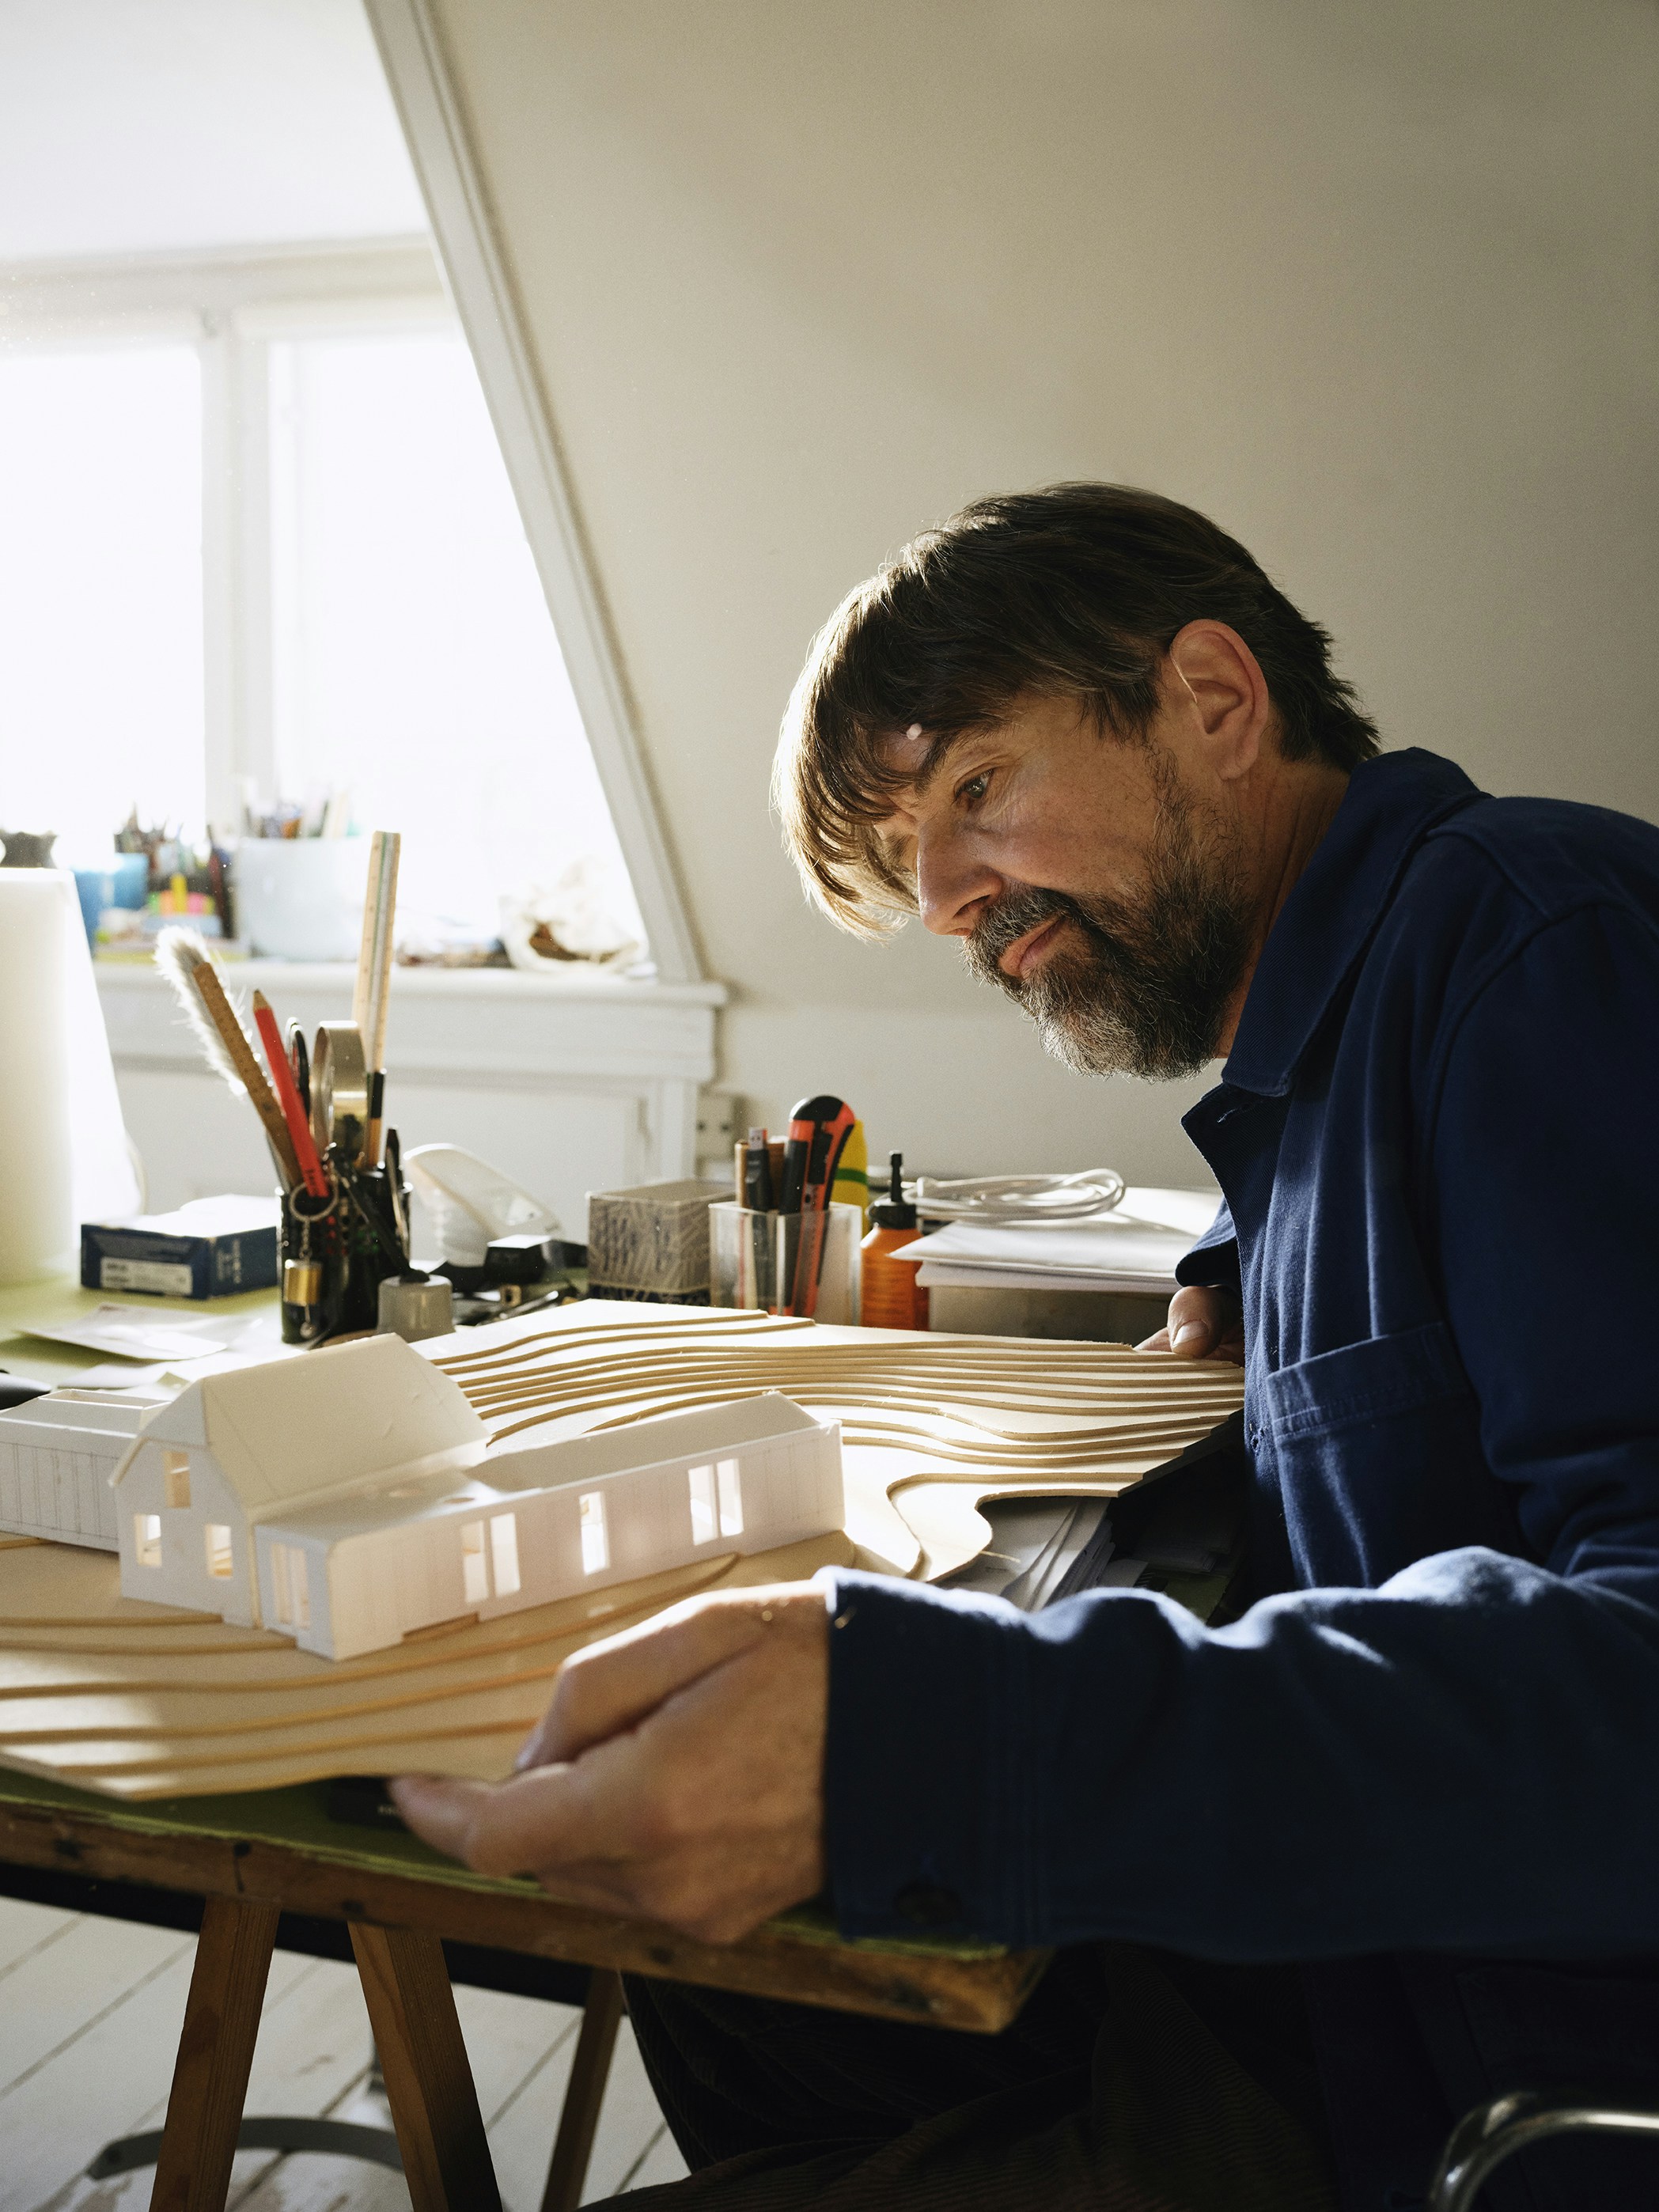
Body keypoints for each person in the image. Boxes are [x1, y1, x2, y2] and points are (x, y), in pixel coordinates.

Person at [392, 486, 1659, 2212]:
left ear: (1213, 700)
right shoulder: (1344, 1044)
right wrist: (1243, 1256)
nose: (942, 901)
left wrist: (935, 1743)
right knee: (714, 1980)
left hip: (1467, 2081)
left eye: (978, 786)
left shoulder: (1537, 944)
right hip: (1339, 1974)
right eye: (912, 851)